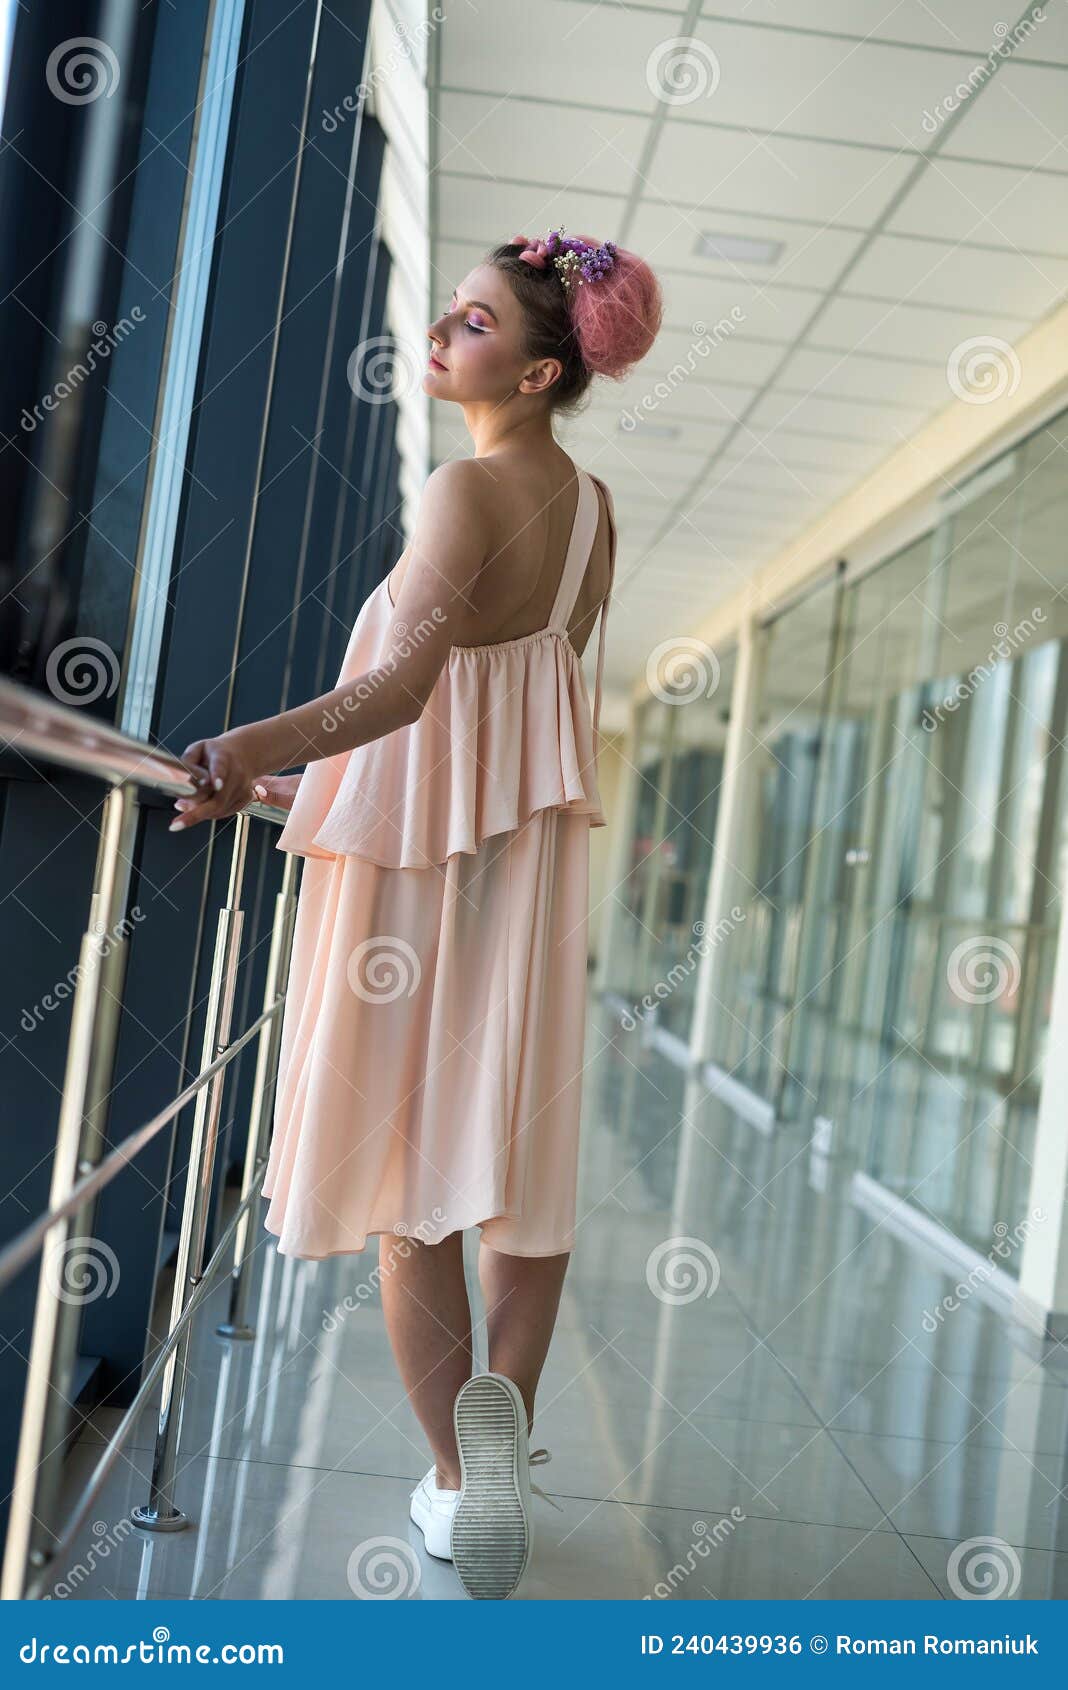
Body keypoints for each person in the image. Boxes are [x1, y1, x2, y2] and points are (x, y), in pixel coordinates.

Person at [170, 227, 663, 1598]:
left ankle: (457, 1471)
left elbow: (391, 699)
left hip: (416, 883)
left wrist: (243, 751)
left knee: (411, 1190)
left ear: (544, 364)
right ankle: (503, 1419)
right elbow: (532, 699)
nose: (446, 334)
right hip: (526, 877)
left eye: (477, 321)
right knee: (518, 1171)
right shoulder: (595, 513)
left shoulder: (464, 491)